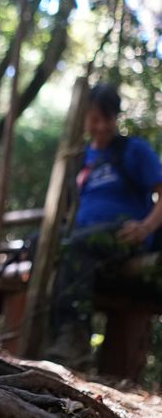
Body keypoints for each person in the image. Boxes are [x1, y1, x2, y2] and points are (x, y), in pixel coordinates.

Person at [45, 84, 162, 369]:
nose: (101, 126)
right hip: (83, 236)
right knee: (41, 242)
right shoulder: (81, 158)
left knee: (77, 246)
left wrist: (146, 228)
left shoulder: (132, 150)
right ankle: (49, 336)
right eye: (95, 118)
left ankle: (76, 342)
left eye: (106, 118)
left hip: (124, 234)